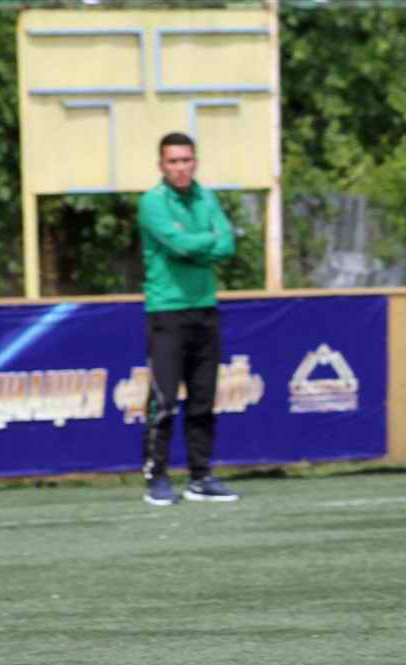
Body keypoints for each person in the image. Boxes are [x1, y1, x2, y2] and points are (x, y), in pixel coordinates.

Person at [137, 131, 240, 506]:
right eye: (173, 161)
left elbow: (227, 244)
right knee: (163, 399)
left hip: (205, 308)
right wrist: (205, 241)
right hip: (167, 310)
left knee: (203, 399)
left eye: (186, 160)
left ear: (195, 162)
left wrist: (199, 244)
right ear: (161, 165)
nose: (180, 167)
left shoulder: (206, 197)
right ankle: (156, 478)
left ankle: (200, 476)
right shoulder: (152, 202)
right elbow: (177, 245)